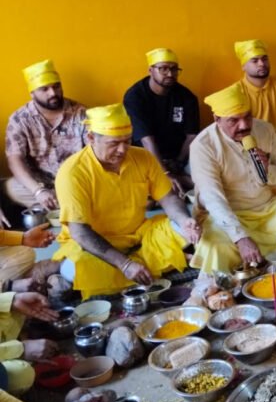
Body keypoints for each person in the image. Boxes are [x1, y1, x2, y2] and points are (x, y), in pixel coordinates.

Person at [51, 104, 201, 299]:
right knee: (74, 269)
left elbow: (168, 197)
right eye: (114, 143)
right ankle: (157, 265)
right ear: (90, 138)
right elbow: (80, 232)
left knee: (191, 227)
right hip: (98, 245)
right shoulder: (72, 173)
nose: (122, 150)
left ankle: (133, 272)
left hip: (140, 235)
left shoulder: (143, 157)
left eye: (127, 141)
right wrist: (125, 264)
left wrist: (184, 221)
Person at [189, 84, 276, 272]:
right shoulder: (203, 146)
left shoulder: (264, 129)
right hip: (232, 214)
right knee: (213, 246)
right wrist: (240, 237)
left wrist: (267, 169)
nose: (244, 125)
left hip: (269, 207)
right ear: (217, 119)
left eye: (247, 116)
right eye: (234, 120)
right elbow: (212, 198)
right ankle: (230, 283)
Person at [4, 60, 87, 210]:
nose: (53, 93)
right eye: (44, 89)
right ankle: (68, 207)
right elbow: (15, 159)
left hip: (76, 180)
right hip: (40, 184)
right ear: (32, 93)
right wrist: (38, 191)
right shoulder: (19, 119)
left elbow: (94, 152)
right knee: (12, 186)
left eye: (56, 87)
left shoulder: (80, 112)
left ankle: (61, 208)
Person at [122, 48, 199, 196]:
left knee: (204, 180)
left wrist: (178, 162)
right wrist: (164, 172)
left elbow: (192, 136)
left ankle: (174, 181)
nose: (170, 74)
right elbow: (146, 140)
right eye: (163, 69)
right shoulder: (135, 96)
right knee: (143, 193)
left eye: (174, 69)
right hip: (145, 158)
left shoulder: (187, 97)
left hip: (178, 159)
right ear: (151, 70)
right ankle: (173, 181)